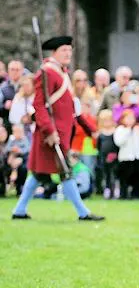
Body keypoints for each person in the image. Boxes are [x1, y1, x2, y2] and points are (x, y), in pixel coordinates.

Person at [10, 36, 103, 221]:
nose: (68, 54)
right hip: (51, 135)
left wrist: (89, 127)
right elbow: (40, 105)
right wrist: (49, 130)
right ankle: (83, 212)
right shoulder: (47, 72)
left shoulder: (61, 73)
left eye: (69, 50)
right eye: (64, 51)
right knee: (65, 172)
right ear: (55, 53)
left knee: (39, 173)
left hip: (60, 133)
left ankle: (19, 210)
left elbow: (71, 109)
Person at [113, 109, 139, 199]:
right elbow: (119, 142)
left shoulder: (137, 129)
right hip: (125, 158)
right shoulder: (120, 129)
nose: (130, 120)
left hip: (137, 157)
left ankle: (137, 195)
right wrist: (128, 130)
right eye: (128, 118)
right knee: (124, 178)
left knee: (138, 178)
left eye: (132, 118)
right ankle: (123, 194)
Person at [96, 109, 119, 199]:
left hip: (114, 157)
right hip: (104, 158)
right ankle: (107, 189)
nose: (107, 122)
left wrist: (114, 155)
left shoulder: (115, 132)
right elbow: (99, 146)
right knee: (106, 174)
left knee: (115, 174)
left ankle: (116, 189)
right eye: (105, 120)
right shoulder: (101, 134)